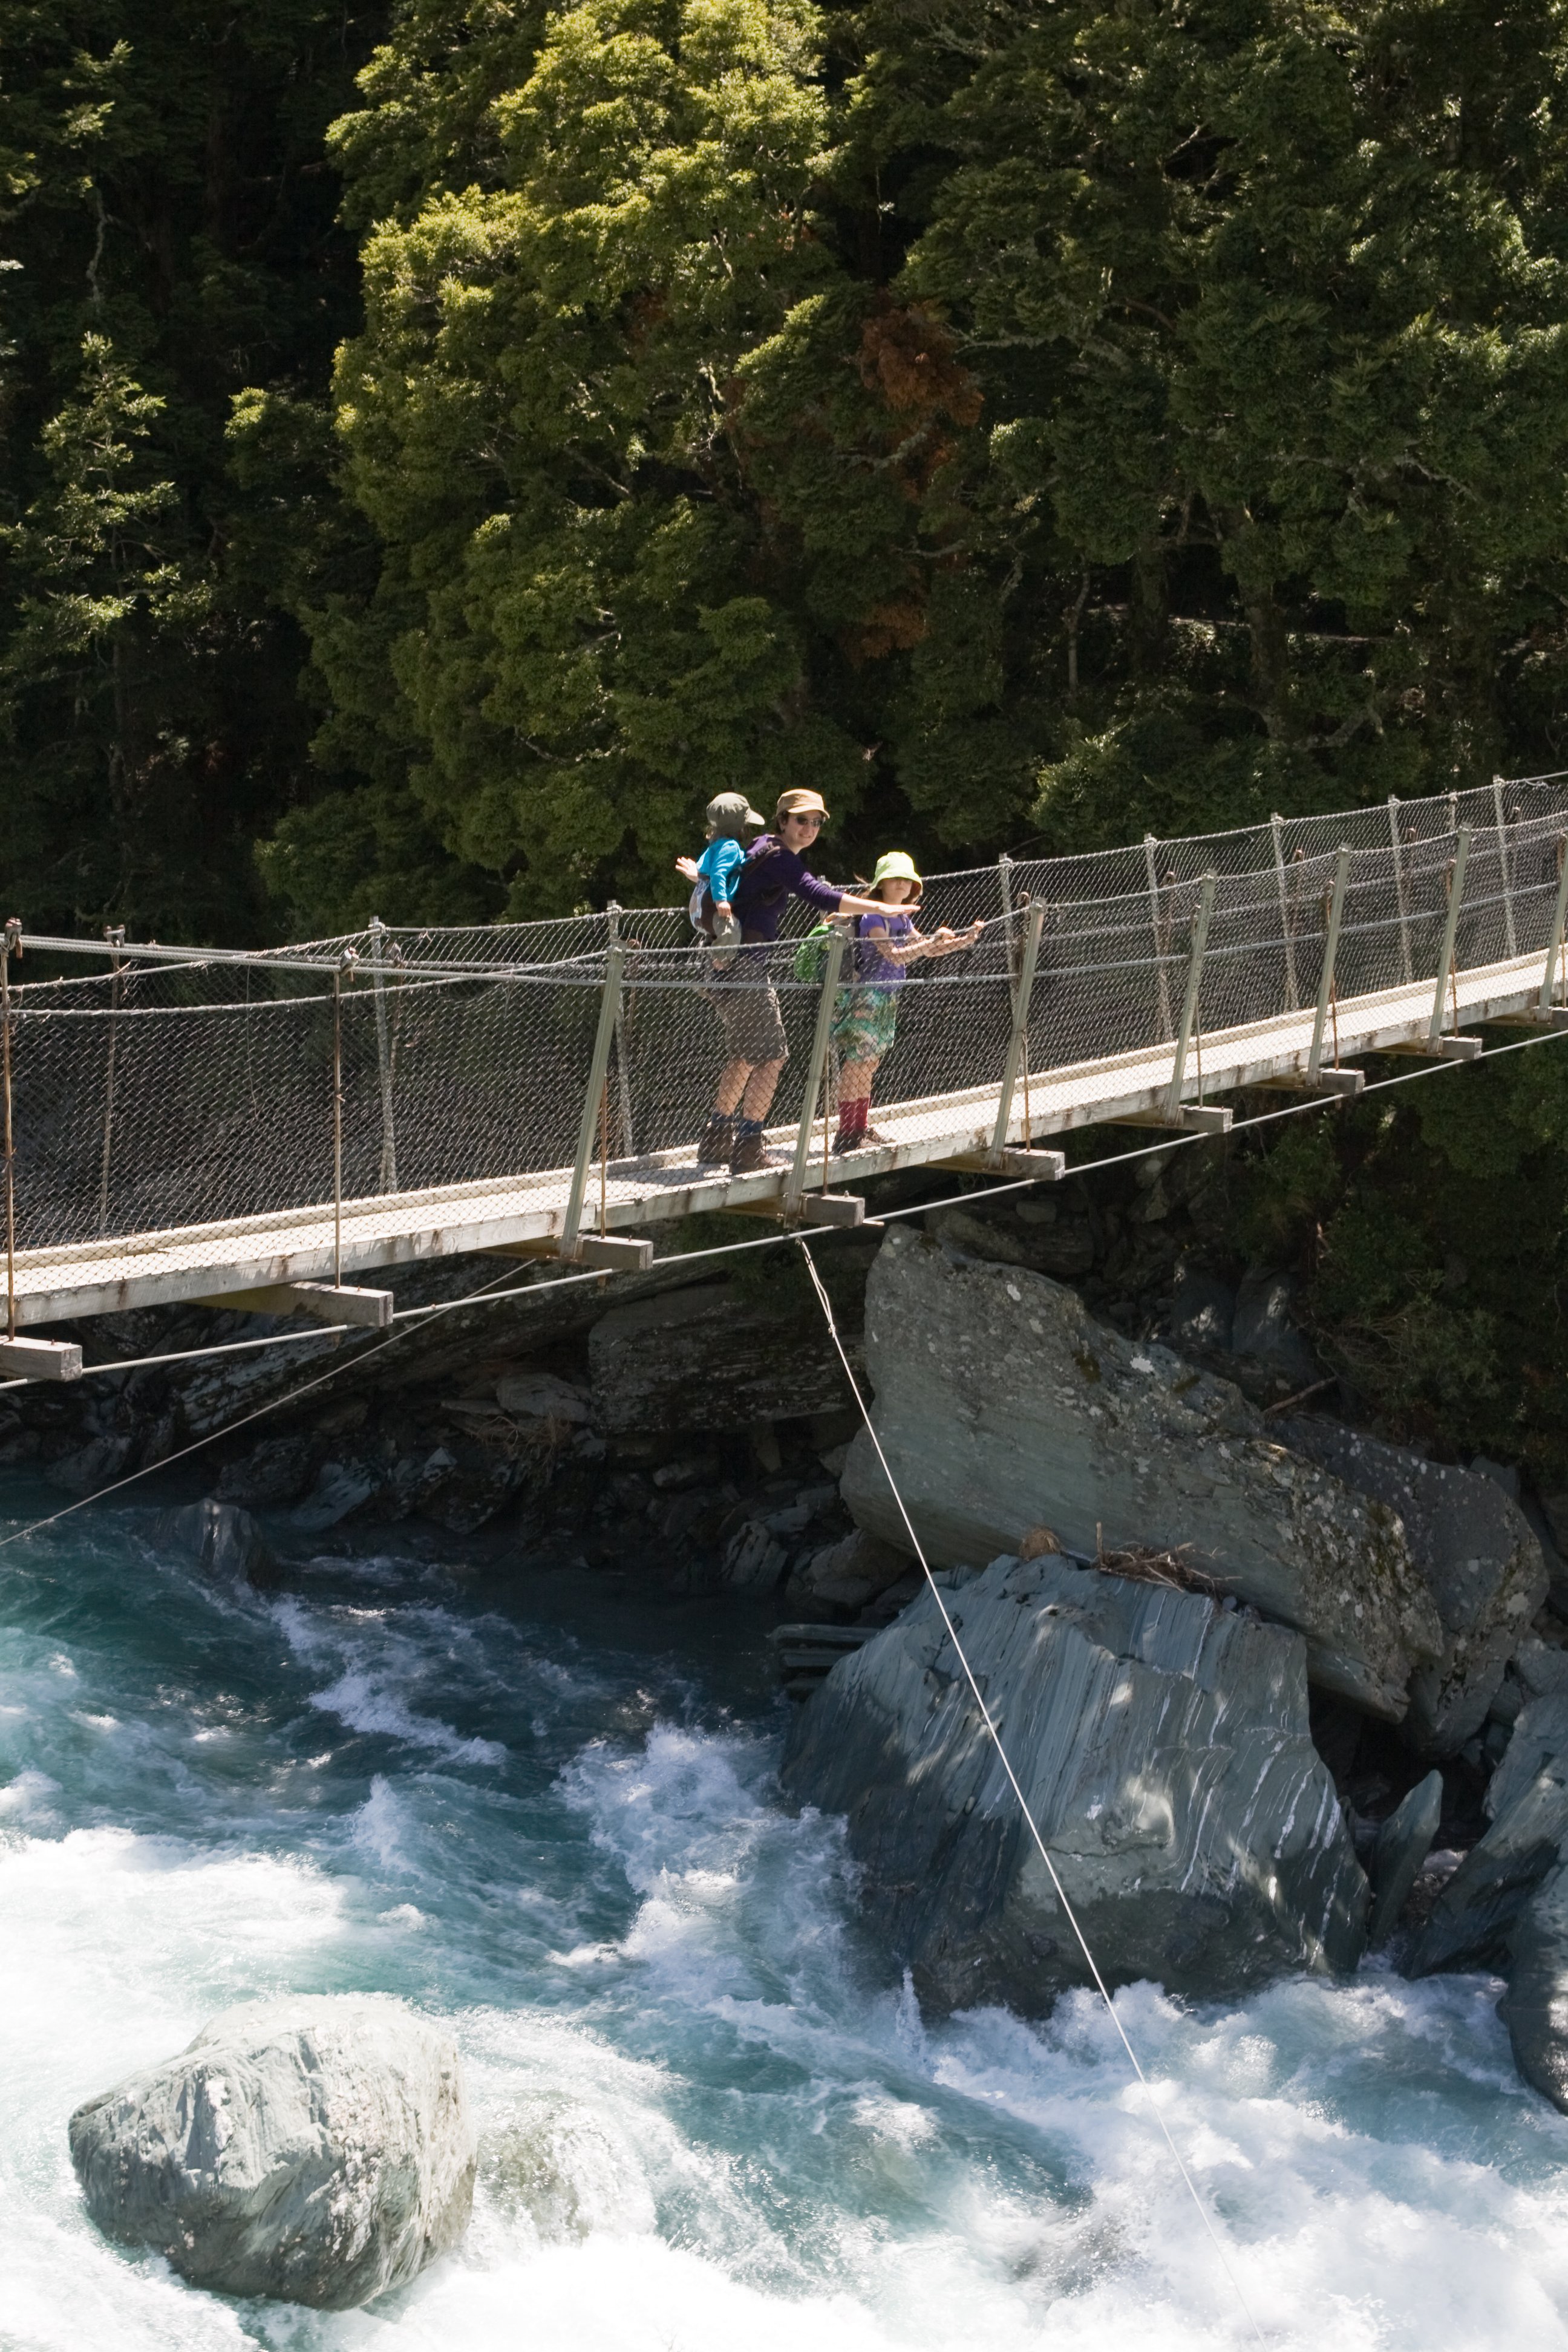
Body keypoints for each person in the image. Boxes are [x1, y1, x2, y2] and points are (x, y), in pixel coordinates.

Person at [684, 788, 893, 1174]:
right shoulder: (779, 857)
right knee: (773, 1056)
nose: (810, 828)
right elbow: (821, 896)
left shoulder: (762, 847)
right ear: (782, 821)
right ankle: (748, 1146)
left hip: (719, 962)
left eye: (816, 822)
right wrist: (880, 906)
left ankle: (716, 1138)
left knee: (746, 1053)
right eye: (802, 820)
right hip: (742, 966)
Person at [829, 853, 981, 1151]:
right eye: (895, 878)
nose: (901, 883)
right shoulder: (874, 917)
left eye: (906, 879)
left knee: (869, 1064)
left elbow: (926, 950)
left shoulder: (902, 917)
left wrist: (965, 940)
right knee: (857, 1064)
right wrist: (931, 942)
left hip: (888, 997)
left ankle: (860, 1128)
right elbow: (894, 954)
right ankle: (846, 1135)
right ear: (881, 883)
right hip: (867, 997)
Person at [675, 791, 765, 942]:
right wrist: (721, 900)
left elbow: (706, 873)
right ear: (741, 827)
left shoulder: (714, 846)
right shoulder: (731, 847)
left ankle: (714, 953)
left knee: (723, 932)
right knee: (732, 930)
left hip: (698, 912)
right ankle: (722, 961)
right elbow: (718, 873)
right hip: (712, 909)